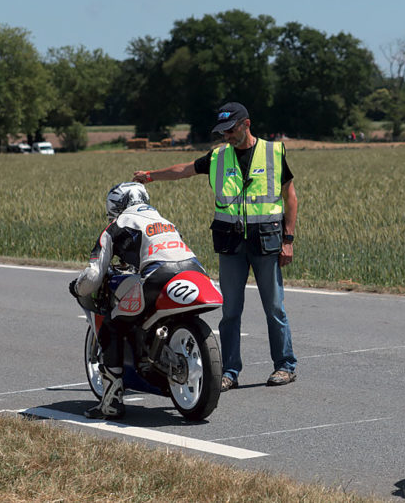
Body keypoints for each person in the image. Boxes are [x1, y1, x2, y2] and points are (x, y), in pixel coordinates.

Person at [132, 102, 298, 392]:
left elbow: (290, 197)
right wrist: (151, 175)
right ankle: (230, 372)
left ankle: (285, 366)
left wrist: (288, 240)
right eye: (222, 131)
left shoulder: (273, 153)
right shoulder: (218, 156)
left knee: (274, 308)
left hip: (265, 241)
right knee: (230, 311)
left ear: (246, 124)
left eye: (231, 130)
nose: (226, 136)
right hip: (232, 243)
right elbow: (184, 169)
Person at [69, 182, 207, 419]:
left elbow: (93, 275)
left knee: (113, 323)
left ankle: (111, 401)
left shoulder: (117, 225)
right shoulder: (165, 221)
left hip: (157, 276)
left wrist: (76, 288)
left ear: (117, 205)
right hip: (194, 270)